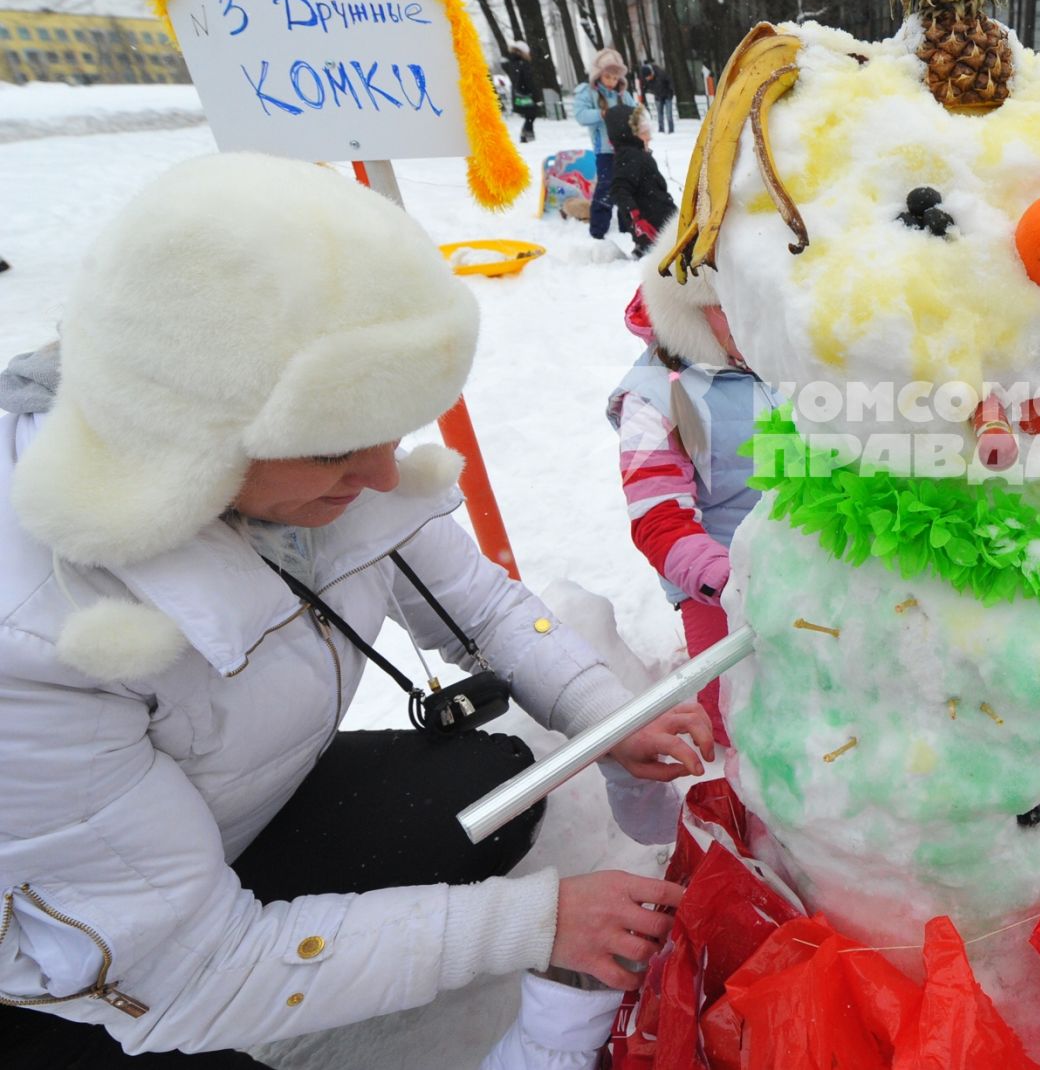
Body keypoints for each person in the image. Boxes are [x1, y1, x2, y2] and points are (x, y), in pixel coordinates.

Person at [0, 153, 716, 1066]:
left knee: (495, 792)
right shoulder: (29, 630)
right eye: (341, 442)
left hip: (220, 822)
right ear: (190, 431)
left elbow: (483, 608)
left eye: (396, 424)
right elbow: (186, 973)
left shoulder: (316, 463)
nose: (384, 476)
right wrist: (534, 925)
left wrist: (604, 716)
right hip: (75, 960)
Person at [607, 282, 772, 746]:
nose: (752, 314)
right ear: (690, 312)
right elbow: (658, 518)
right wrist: (728, 583)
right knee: (738, 717)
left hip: (809, 560)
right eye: (729, 305)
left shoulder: (784, 359)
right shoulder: (655, 396)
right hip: (722, 584)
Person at [573, 48, 638, 243]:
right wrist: (601, 114)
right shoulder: (589, 93)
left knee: (626, 187)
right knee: (606, 187)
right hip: (604, 151)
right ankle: (598, 229)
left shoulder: (623, 95)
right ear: (598, 75)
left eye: (615, 78)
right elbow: (580, 115)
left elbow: (636, 115)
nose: (611, 81)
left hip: (625, 149)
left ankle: (627, 226)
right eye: (607, 76)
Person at [603, 103, 678, 257]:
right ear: (629, 134)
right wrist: (636, 218)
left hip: (662, 215)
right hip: (651, 222)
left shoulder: (636, 154)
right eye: (644, 133)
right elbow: (619, 190)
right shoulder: (630, 157)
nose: (649, 137)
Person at [503, 39, 539, 144]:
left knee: (530, 115)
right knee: (531, 114)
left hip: (518, 93)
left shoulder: (512, 63)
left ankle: (526, 135)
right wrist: (535, 95)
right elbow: (529, 81)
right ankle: (527, 135)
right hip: (526, 93)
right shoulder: (523, 64)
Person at [644, 56, 676, 136]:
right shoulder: (648, 78)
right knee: (659, 114)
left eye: (649, 77)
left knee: (669, 114)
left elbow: (670, 81)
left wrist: (671, 92)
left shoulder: (661, 73)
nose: (648, 79)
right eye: (647, 78)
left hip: (667, 95)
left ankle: (671, 130)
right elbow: (649, 87)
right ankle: (661, 130)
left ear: (651, 73)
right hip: (658, 97)